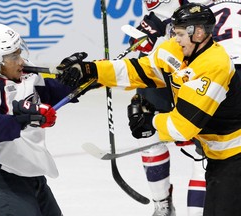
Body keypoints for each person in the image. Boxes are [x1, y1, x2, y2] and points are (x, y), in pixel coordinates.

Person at [56, 3, 241, 215]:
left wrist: (151, 121)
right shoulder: (176, 48)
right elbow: (138, 70)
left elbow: (183, 128)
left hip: (234, 158)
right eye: (174, 32)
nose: (175, 38)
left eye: (180, 34)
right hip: (219, 156)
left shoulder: (214, 65)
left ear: (198, 33)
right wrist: (92, 69)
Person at [0, 23, 82, 216]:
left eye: (19, 53)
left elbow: (51, 92)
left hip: (29, 169)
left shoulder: (26, 76)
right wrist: (22, 118)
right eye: (13, 57)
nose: (21, 62)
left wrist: (80, 78)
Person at [127, 1, 211, 215]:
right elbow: (157, 13)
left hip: (197, 64)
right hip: (160, 62)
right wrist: (148, 30)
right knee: (146, 129)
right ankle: (162, 204)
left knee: (206, 144)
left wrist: (167, 21)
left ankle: (200, 210)